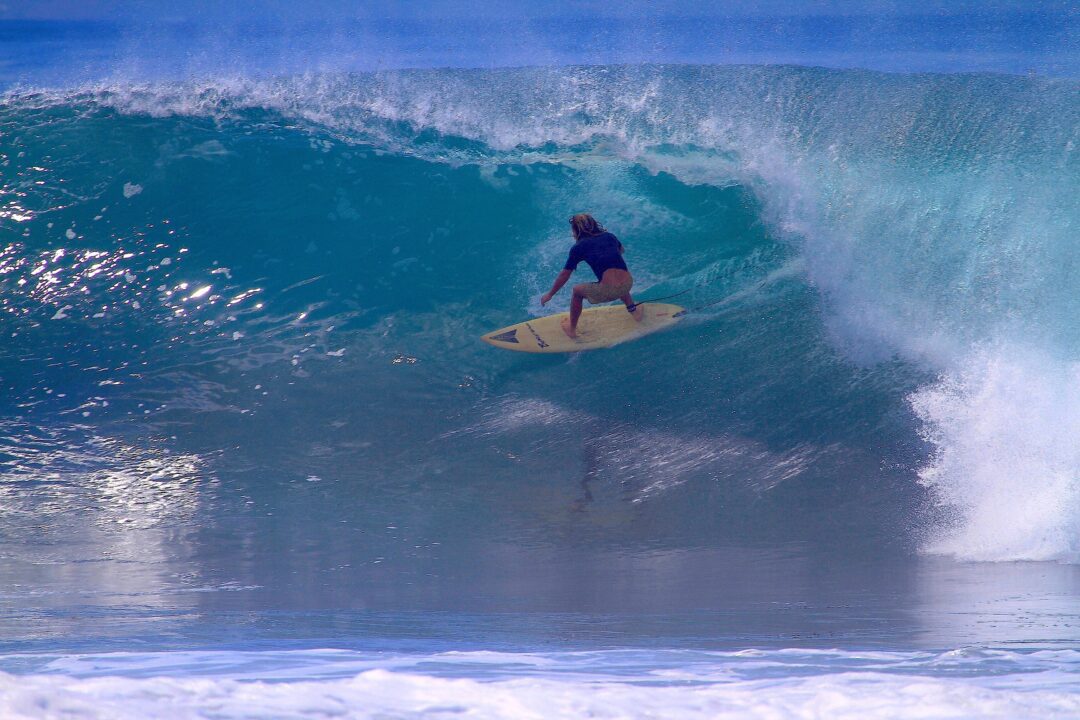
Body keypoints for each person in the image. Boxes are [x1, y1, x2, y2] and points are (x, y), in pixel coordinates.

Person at [540, 213, 643, 339]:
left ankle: (571, 329)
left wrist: (550, 294)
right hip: (628, 284)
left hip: (609, 291)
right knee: (616, 277)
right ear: (594, 224)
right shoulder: (610, 236)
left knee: (577, 291)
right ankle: (634, 312)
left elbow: (565, 275)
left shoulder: (578, 247)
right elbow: (621, 251)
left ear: (575, 230)